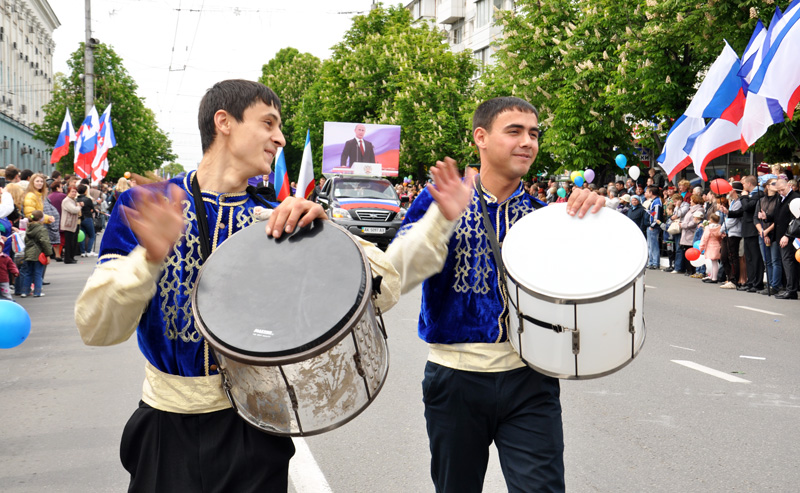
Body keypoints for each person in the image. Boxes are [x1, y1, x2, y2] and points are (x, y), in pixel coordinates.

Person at [74, 79, 400, 492]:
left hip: (255, 426)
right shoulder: (147, 205)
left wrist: (329, 234)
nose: (280, 138)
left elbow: (385, 289)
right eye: (268, 123)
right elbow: (96, 329)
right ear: (224, 122)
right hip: (165, 427)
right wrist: (149, 258)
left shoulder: (278, 218)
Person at [386, 96, 603, 493]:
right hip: (455, 378)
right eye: (515, 131)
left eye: (534, 134)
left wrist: (598, 220)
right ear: (481, 138)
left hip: (531, 379)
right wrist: (442, 218)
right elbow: (395, 275)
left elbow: (592, 284)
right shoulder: (436, 200)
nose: (528, 142)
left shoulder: (549, 217)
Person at [737, 175, 765, 293]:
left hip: (753, 229)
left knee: (756, 258)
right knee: (748, 258)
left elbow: (747, 207)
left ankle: (757, 283)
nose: (742, 186)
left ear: (749, 184)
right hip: (747, 229)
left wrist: (743, 197)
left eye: (744, 184)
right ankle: (750, 281)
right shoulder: (751, 195)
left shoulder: (758, 194)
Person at [755, 178, 782, 295]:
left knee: (775, 260)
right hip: (762, 233)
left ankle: (775, 285)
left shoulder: (779, 200)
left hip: (774, 233)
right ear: (767, 186)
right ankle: (770, 285)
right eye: (774, 183)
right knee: (767, 261)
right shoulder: (761, 200)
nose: (776, 185)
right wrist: (761, 231)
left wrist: (766, 231)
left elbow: (778, 219)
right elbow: (755, 218)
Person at [774, 178, 799, 299]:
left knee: (789, 262)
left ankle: (791, 290)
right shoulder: (781, 198)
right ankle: (789, 288)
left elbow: (795, 220)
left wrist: (787, 235)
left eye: (782, 190)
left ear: (788, 185)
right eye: (778, 191)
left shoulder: (795, 198)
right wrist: (766, 217)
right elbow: (779, 217)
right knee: (787, 263)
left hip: (791, 236)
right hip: (781, 235)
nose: (780, 192)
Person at [19, 210, 52, 298]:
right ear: (41, 219)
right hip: (38, 254)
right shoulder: (42, 229)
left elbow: (26, 240)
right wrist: (48, 254)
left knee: (28, 272)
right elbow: (45, 242)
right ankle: (37, 292)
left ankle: (24, 291)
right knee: (38, 273)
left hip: (28, 253)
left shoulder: (28, 228)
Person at [718, 182, 743, 289]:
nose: (728, 191)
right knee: (724, 256)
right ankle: (730, 277)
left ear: (734, 190)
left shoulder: (739, 202)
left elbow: (733, 220)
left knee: (732, 256)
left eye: (729, 189)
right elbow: (728, 217)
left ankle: (734, 280)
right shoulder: (733, 202)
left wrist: (722, 229)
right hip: (728, 232)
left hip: (734, 233)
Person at [699, 213, 723, 283]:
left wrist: (701, 247)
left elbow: (705, 238)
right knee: (714, 262)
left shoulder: (708, 228)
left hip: (710, 246)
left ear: (711, 220)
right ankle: (712, 276)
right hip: (717, 245)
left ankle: (714, 278)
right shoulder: (719, 227)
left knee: (713, 262)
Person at [60, 187, 81, 264]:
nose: (74, 193)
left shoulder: (73, 200)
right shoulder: (66, 201)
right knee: (69, 242)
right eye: (72, 192)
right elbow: (74, 210)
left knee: (73, 242)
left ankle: (71, 257)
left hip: (73, 224)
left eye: (75, 192)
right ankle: (68, 258)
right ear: (68, 192)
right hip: (68, 224)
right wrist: (79, 206)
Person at [644, 186, 663, 269]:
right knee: (650, 245)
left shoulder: (657, 202)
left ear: (651, 193)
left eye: (648, 192)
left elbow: (657, 214)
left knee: (654, 245)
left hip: (653, 226)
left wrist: (653, 224)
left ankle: (655, 262)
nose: (647, 193)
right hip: (651, 225)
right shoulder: (654, 201)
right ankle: (651, 262)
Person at [76, 184, 96, 257]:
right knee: (92, 235)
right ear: (85, 191)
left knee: (82, 235)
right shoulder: (88, 199)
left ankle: (82, 252)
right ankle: (89, 250)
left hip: (80, 219)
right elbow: (92, 209)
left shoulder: (76, 199)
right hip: (87, 217)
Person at [0, 236, 19, 300]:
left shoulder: (5, 258)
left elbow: (11, 266)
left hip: (3, 279)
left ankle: (9, 303)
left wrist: (15, 271)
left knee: (6, 294)